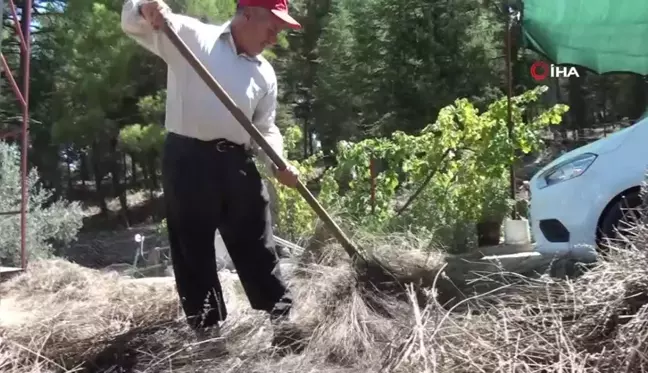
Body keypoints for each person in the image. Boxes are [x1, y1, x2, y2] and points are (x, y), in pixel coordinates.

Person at [120, 0, 302, 344]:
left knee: (258, 242)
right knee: (193, 250)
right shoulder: (189, 35)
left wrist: (279, 162)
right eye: (272, 28)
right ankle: (209, 335)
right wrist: (146, 7)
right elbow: (133, 24)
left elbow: (265, 128)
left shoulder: (264, 73)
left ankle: (283, 322)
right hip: (188, 160)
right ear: (249, 13)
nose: (274, 38)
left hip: (238, 162)